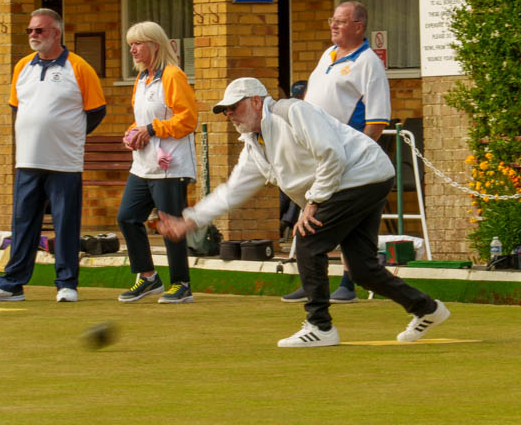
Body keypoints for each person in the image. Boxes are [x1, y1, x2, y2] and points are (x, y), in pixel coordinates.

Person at [157, 77, 449, 347]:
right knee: (362, 268)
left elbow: (331, 154)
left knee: (308, 239)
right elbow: (232, 191)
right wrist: (189, 221)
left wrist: (313, 201)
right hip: (360, 181)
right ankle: (428, 308)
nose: (229, 114)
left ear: (257, 101)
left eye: (234, 107)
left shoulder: (292, 112)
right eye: (225, 111)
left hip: (362, 175)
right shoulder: (253, 145)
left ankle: (320, 326)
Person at [0, 8, 106, 303]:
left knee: (65, 223)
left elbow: (97, 111)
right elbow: (16, 107)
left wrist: (69, 135)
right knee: (22, 224)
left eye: (39, 31)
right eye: (30, 31)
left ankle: (66, 284)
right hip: (27, 160)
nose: (33, 36)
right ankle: (11, 285)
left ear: (56, 33)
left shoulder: (79, 67)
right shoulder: (22, 66)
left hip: (64, 161)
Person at [283, 1, 392, 304]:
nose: (334, 25)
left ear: (359, 26)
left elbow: (377, 118)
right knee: (315, 213)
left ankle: (347, 280)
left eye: (341, 21)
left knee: (342, 216)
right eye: (332, 20)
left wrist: (359, 154)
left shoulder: (368, 62)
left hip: (348, 151)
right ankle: (313, 278)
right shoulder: (328, 55)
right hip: (318, 149)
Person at [116, 21, 197, 304]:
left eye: (137, 44)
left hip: (171, 165)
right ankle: (148, 277)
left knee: (169, 221)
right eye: (130, 45)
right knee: (127, 216)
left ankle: (181, 283)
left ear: (155, 45)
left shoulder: (172, 75)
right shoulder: (141, 80)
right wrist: (134, 132)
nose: (132, 50)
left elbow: (187, 119)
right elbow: (143, 120)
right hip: (143, 164)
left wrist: (151, 129)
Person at [278, 80, 307, 240]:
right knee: (286, 187)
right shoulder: (289, 111)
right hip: (294, 164)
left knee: (300, 187)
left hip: (307, 167)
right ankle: (283, 222)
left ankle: (285, 222)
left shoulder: (307, 111)